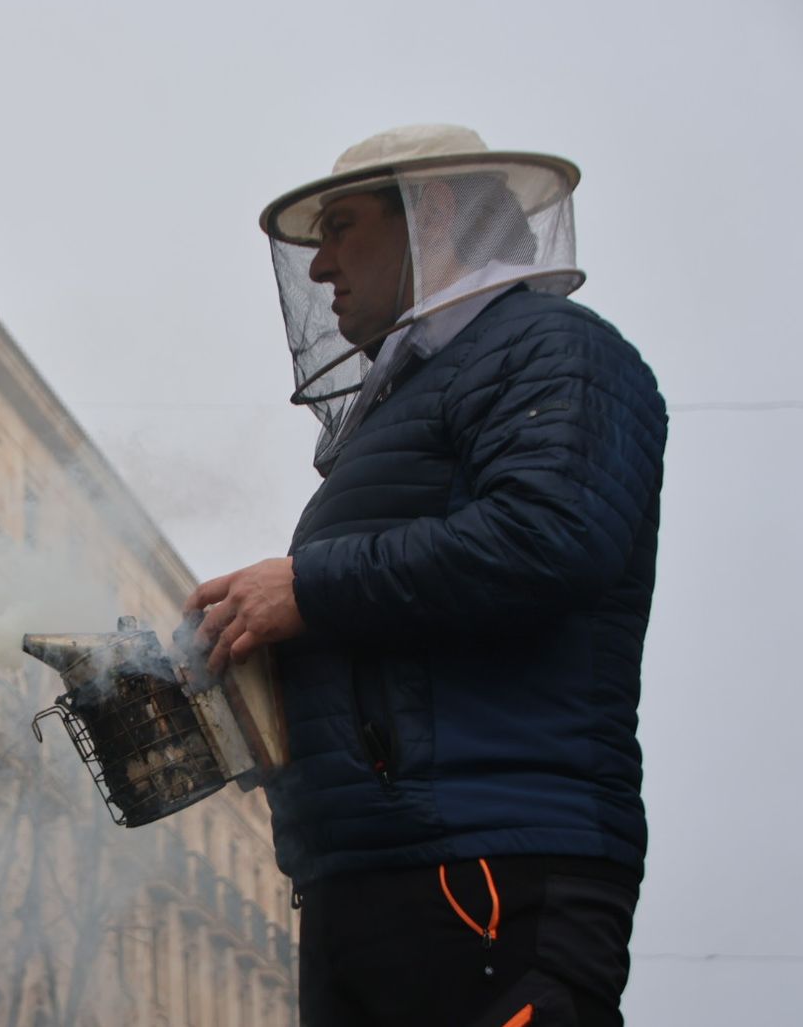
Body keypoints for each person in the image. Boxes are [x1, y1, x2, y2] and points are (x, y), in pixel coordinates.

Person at [184, 124, 667, 1026]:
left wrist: (306, 588)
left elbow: (548, 538)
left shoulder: (554, 348)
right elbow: (395, 637)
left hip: (489, 863)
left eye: (342, 225)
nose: (320, 264)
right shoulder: (418, 394)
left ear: (432, 213)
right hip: (373, 878)